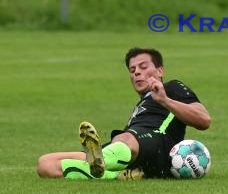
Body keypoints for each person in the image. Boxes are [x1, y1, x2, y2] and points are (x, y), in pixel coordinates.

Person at [37, 47, 211, 180]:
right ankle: (115, 174)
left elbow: (204, 119)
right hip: (131, 147)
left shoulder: (171, 88)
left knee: (125, 138)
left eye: (143, 67)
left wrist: (165, 100)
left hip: (159, 143)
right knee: (46, 164)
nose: (137, 72)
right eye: (132, 69)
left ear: (160, 71)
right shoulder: (140, 106)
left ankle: (104, 160)